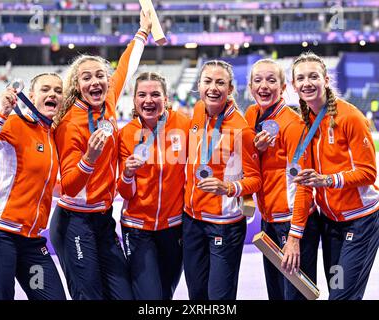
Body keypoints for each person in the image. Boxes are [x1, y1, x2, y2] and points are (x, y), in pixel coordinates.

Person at [49, 10, 151, 300]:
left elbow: (126, 68)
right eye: (86, 78)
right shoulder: (69, 123)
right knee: (89, 296)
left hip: (104, 219)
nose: (95, 82)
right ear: (77, 86)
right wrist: (88, 160)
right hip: (73, 221)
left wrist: (142, 31)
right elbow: (68, 186)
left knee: (123, 295)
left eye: (100, 76)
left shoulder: (107, 102)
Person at [284, 51, 379, 300]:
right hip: (331, 224)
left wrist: (328, 180)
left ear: (326, 80)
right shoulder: (304, 124)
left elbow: (368, 172)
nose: (307, 83)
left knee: (341, 296)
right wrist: (294, 237)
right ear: (294, 85)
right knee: (336, 287)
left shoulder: (350, 117)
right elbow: (305, 186)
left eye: (313, 76)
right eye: (301, 78)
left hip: (360, 222)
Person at [0, 73, 66, 300]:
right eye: (45, 89)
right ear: (31, 96)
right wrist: (2, 113)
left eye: (58, 90)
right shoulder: (15, 123)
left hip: (31, 243)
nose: (53, 94)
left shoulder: (52, 135)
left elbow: (47, 185)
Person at [183, 60, 262, 300]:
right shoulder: (197, 111)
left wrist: (227, 188)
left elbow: (255, 180)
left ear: (230, 89)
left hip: (224, 225)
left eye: (220, 82)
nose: (213, 88)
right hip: (191, 221)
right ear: (199, 85)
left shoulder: (242, 129)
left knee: (219, 298)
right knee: (196, 294)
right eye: (208, 81)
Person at [244, 59, 320, 300]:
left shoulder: (293, 125)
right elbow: (249, 164)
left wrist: (295, 237)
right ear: (250, 87)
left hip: (293, 224)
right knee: (277, 295)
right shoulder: (251, 115)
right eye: (258, 80)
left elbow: (304, 184)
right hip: (268, 222)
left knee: (296, 296)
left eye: (271, 80)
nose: (264, 86)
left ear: (283, 86)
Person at [117, 72, 190, 300]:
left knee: (164, 295)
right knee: (150, 297)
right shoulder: (126, 134)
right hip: (138, 229)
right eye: (142, 95)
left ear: (166, 98)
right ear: (135, 100)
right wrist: (128, 173)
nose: (149, 100)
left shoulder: (185, 126)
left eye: (155, 94)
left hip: (174, 229)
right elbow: (125, 192)